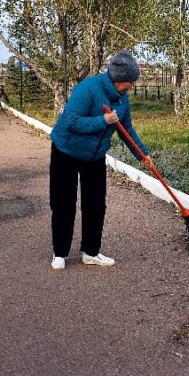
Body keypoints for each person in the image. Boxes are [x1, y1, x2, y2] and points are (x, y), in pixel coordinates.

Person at [48, 50, 154, 270]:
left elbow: (127, 130)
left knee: (96, 204)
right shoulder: (88, 89)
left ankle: (91, 252)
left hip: (94, 156)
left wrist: (143, 155)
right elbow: (70, 121)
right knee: (63, 203)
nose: (131, 86)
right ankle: (59, 253)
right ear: (118, 79)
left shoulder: (122, 98)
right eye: (129, 82)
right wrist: (102, 121)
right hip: (66, 150)